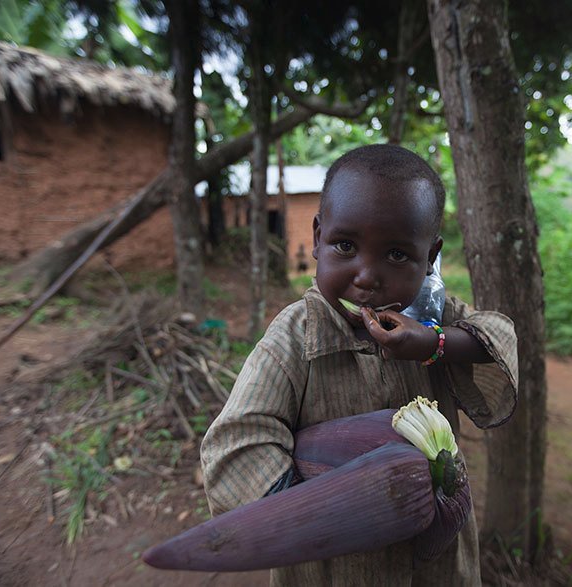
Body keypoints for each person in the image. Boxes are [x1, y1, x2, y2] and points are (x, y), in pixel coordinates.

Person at [201, 144, 518, 586]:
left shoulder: (431, 317)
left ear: (430, 257)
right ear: (316, 238)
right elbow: (235, 445)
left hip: (436, 566)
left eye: (396, 255)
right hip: (330, 568)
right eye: (345, 245)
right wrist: (328, 509)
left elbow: (498, 337)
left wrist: (434, 343)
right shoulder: (296, 335)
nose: (366, 276)